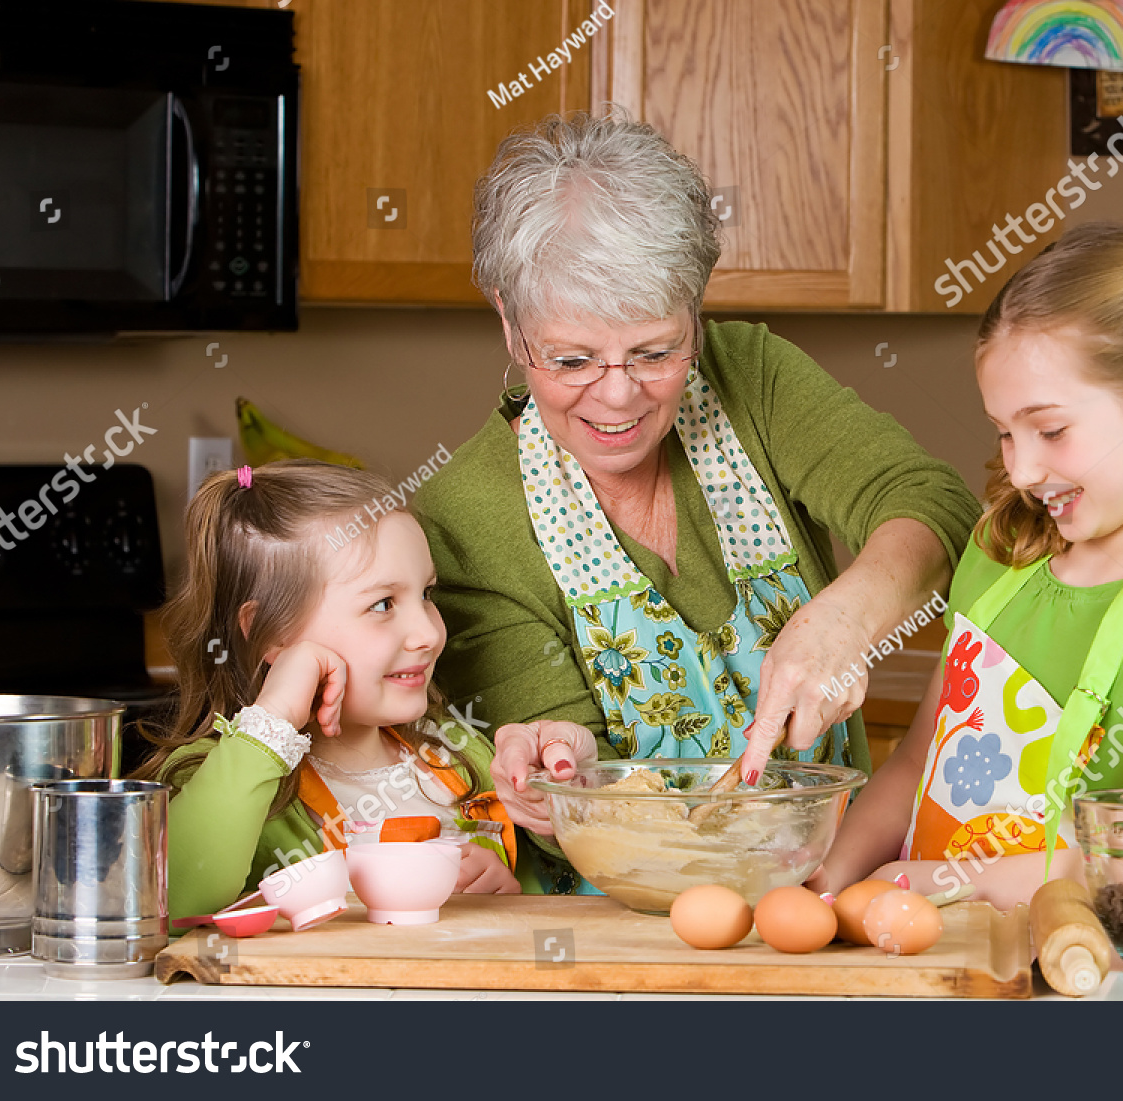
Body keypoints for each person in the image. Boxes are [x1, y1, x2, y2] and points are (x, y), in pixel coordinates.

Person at [414, 110, 981, 894]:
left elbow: (933, 503)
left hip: (828, 894)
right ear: (513, 329)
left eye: (655, 351)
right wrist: (554, 758)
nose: (618, 395)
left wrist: (848, 619)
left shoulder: (751, 376)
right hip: (614, 929)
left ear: (696, 310)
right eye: (572, 358)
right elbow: (562, 743)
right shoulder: (465, 516)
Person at [813, 223, 1123, 911]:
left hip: (1059, 969)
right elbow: (915, 764)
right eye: (1005, 432)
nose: (1021, 468)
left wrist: (926, 886)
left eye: (1050, 430)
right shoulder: (999, 555)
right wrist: (829, 878)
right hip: (917, 949)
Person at [136, 460, 519, 926]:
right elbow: (171, 901)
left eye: (427, 594)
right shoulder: (208, 777)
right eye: (382, 604)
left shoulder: (460, 755)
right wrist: (274, 717)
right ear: (270, 634)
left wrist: (507, 896)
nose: (428, 633)